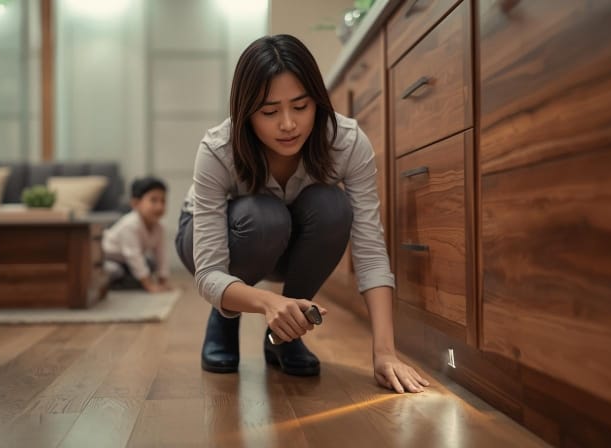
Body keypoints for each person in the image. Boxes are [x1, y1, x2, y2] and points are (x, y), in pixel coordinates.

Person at [175, 34, 429, 394]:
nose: (288, 124)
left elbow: (371, 250)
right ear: (246, 112)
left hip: (287, 241)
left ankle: (287, 331)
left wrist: (385, 352)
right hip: (209, 242)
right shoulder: (218, 149)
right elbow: (209, 271)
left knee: (334, 207)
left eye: (300, 106)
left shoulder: (346, 142)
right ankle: (225, 315)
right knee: (264, 217)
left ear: (318, 101)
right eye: (268, 112)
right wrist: (266, 302)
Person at [103, 176, 172, 294]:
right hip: (108, 258)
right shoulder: (130, 224)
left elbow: (161, 255)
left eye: (163, 201)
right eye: (154, 200)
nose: (160, 206)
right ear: (136, 203)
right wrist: (149, 285)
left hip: (126, 262)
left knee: (150, 263)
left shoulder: (159, 227)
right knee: (115, 271)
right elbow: (133, 255)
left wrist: (163, 280)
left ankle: (129, 281)